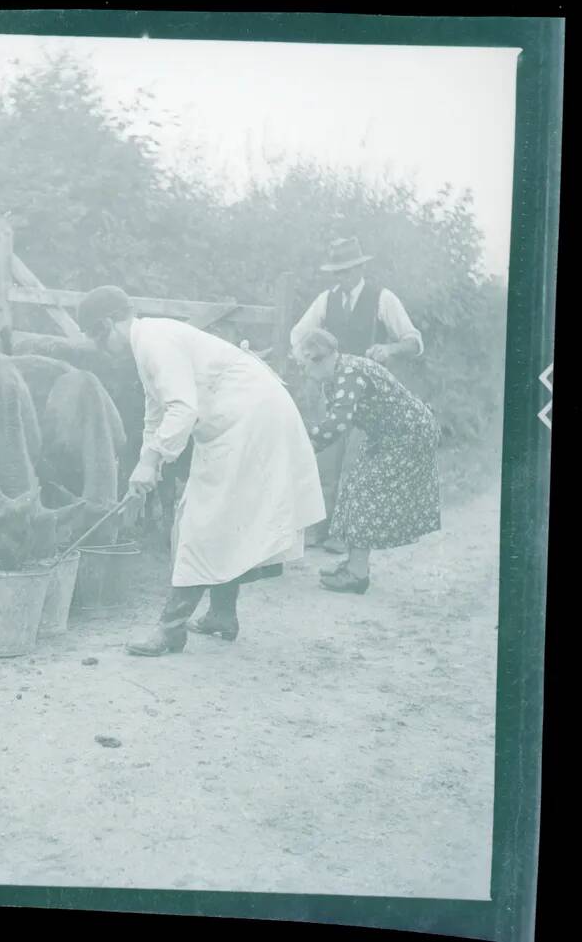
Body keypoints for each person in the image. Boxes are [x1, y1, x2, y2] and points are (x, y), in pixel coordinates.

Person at [76, 285, 326, 657]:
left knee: (201, 520)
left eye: (97, 338)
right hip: (243, 417)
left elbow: (182, 408)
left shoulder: (154, 341)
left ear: (108, 323)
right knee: (220, 519)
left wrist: (152, 459)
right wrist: (149, 461)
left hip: (249, 418)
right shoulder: (149, 342)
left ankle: (170, 629)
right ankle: (222, 615)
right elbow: (156, 412)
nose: (100, 349)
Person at [290, 237, 424, 555]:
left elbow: (414, 341)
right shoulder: (326, 300)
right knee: (325, 460)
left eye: (348, 270)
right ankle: (319, 528)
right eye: (337, 272)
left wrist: (390, 348)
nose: (342, 277)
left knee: (356, 464)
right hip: (333, 390)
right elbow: (298, 334)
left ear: (361, 267)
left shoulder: (382, 298)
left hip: (368, 397)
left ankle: (345, 533)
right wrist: (306, 361)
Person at [298, 328, 441, 594]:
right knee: (355, 487)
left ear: (319, 357)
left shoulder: (349, 373)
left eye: (304, 363)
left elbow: (337, 424)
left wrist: (304, 447)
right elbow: (337, 419)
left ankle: (357, 574)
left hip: (407, 435)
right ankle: (354, 563)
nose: (304, 370)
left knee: (365, 492)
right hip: (387, 434)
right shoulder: (340, 371)